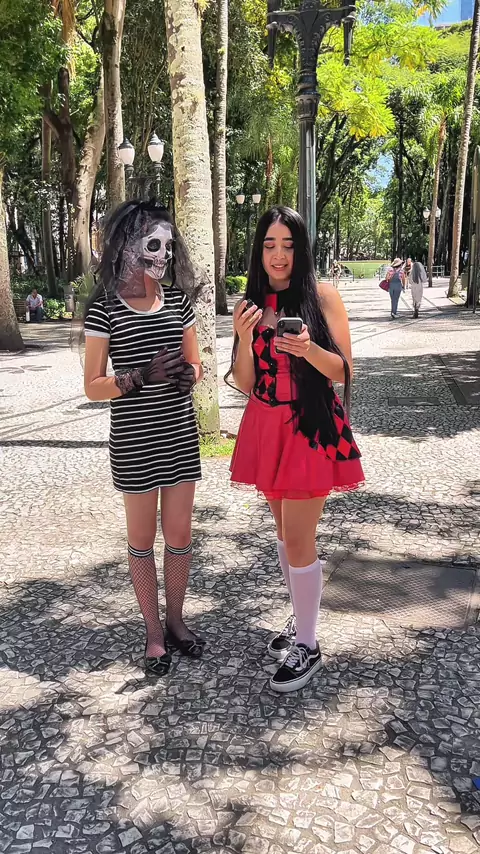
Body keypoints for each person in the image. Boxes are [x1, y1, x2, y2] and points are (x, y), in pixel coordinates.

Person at [226, 206, 364, 693]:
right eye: (269, 245)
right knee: (285, 533)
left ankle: (308, 643)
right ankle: (300, 619)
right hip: (266, 426)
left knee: (301, 537)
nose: (278, 255)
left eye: (288, 245)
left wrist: (308, 350)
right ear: (258, 251)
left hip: (310, 427)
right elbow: (245, 382)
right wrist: (244, 337)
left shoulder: (323, 296)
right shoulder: (251, 304)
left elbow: (345, 371)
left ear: (301, 248)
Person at [83, 200, 205, 678]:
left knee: (179, 537)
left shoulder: (177, 302)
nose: (163, 255)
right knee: (141, 540)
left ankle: (175, 620)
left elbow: (195, 364)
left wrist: (188, 375)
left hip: (179, 435)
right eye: (153, 244)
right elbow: (93, 386)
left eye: (168, 246)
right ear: (126, 246)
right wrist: (138, 377)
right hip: (134, 441)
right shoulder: (105, 309)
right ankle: (153, 632)